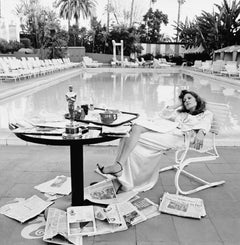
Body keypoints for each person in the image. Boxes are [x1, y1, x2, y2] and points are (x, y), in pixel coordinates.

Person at [97, 90, 213, 192]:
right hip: (168, 133)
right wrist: (175, 105)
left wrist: (201, 133)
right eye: (184, 100)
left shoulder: (205, 114)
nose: (186, 101)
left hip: (180, 138)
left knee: (132, 135)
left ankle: (120, 168)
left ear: (197, 99)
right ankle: (121, 172)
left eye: (189, 98)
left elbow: (205, 124)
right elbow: (162, 115)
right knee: (131, 132)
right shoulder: (181, 113)